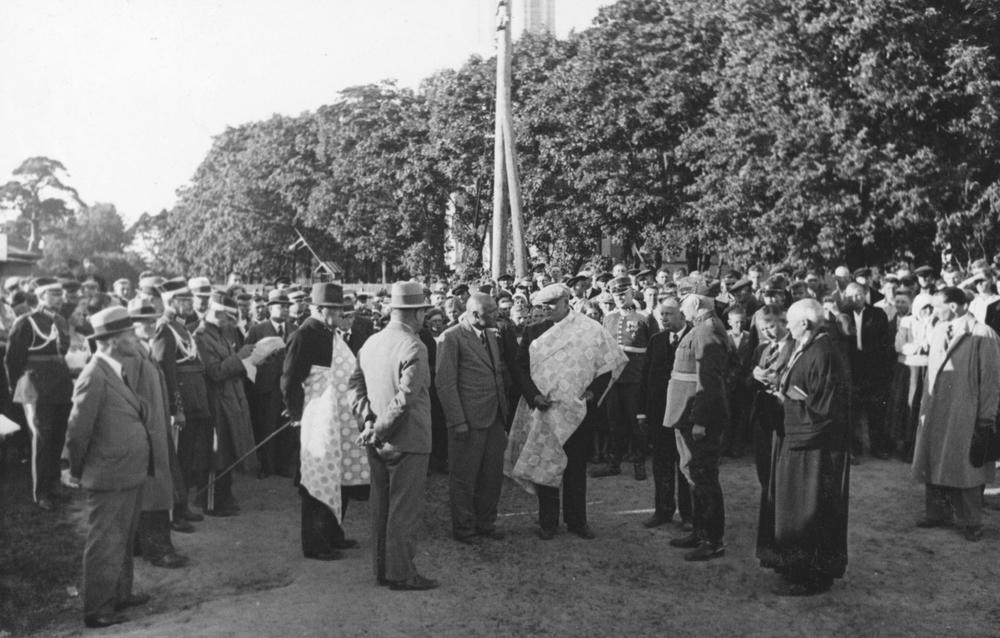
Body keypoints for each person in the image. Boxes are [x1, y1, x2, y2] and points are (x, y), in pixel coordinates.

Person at [505, 283, 626, 541]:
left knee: (575, 466)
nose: (548, 309)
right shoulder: (533, 331)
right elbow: (520, 368)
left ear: (566, 301)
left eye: (552, 304)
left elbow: (608, 363)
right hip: (545, 410)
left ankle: (577, 521)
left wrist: (592, 392)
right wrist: (533, 396)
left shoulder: (590, 329)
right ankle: (548, 522)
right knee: (546, 465)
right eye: (544, 305)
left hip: (576, 411)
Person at [62, 307, 153, 628]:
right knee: (105, 542)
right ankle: (98, 608)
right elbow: (78, 430)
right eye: (130, 334)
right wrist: (73, 469)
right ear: (113, 341)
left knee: (123, 538)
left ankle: (120, 594)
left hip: (125, 471)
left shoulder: (114, 369)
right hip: (109, 475)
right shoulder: (94, 374)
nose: (136, 338)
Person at [757, 299, 851, 596]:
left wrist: (784, 401)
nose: (787, 328)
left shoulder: (823, 352)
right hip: (799, 441)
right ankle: (794, 567)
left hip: (814, 450)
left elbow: (823, 408)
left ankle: (811, 577)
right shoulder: (809, 347)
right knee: (795, 509)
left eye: (791, 322)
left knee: (810, 511)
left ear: (805, 323)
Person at [349, 282, 438, 590]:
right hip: (407, 439)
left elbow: (355, 386)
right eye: (423, 311)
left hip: (377, 440)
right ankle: (400, 574)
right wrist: (379, 428)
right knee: (403, 510)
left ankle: (382, 570)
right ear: (416, 313)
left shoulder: (371, 342)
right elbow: (406, 398)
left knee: (381, 507)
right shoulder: (414, 346)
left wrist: (368, 422)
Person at [282, 283, 370, 561]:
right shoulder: (304, 335)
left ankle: (334, 533)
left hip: (341, 420)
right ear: (320, 309)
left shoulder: (331, 333)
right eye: (335, 310)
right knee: (318, 478)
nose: (341, 314)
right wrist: (297, 415)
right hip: (319, 418)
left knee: (341, 477)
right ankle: (315, 543)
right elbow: (289, 380)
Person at [912, 287, 1000, 542]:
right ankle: (937, 512)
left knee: (966, 466)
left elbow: (991, 381)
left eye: (937, 307)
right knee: (933, 459)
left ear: (953, 306)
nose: (933, 312)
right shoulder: (939, 330)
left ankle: (971, 521)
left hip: (965, 411)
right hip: (936, 410)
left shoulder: (983, 334)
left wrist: (986, 418)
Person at [435, 293, 509, 544]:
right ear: (476, 315)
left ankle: (486, 523)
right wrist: (458, 421)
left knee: (492, 475)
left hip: (494, 417)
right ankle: (464, 529)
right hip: (467, 421)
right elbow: (445, 384)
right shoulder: (451, 337)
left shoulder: (490, 334)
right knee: (464, 478)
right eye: (492, 311)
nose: (497, 314)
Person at [665, 281, 730, 561]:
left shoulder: (707, 330)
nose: (681, 307)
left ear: (696, 303)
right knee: (693, 474)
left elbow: (709, 379)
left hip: (696, 417)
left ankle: (713, 540)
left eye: (684, 301)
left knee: (704, 477)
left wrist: (701, 420)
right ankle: (700, 532)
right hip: (686, 413)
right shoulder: (702, 328)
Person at [125, 300, 189, 568]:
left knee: (152, 489)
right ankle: (158, 550)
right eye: (144, 321)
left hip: (155, 430)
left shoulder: (145, 350)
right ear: (131, 325)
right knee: (153, 492)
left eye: (153, 320)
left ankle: (140, 544)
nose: (151, 325)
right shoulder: (131, 355)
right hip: (145, 433)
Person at [5, 277, 73, 510]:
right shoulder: (26, 322)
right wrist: (16, 387)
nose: (59, 298)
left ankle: (54, 485)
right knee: (42, 438)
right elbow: (13, 359)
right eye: (53, 294)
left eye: (60, 294)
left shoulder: (60, 321)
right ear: (41, 296)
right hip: (36, 387)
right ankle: (41, 492)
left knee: (58, 436)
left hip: (60, 386)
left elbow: (63, 351)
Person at [151, 279, 209, 530]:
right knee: (176, 460)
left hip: (194, 400)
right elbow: (166, 372)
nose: (189, 303)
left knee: (187, 458)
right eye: (183, 300)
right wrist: (175, 409)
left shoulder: (181, 328)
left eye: (189, 299)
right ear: (170, 302)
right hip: (180, 403)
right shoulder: (165, 329)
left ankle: (182, 507)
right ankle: (173, 514)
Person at [194, 294, 258, 516]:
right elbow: (214, 372)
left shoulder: (218, 335)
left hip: (228, 400)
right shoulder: (201, 337)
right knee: (215, 454)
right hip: (215, 403)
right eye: (228, 319)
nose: (231, 324)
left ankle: (224, 496)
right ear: (218, 313)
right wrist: (239, 357)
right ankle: (211, 502)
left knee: (226, 451)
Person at [639, 296, 692, 530]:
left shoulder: (694, 338)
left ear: (682, 315)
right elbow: (645, 377)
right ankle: (663, 510)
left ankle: (689, 515)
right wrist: (642, 412)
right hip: (659, 414)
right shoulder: (656, 340)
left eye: (669, 314)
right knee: (661, 464)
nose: (664, 318)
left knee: (685, 465)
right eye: (662, 314)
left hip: (685, 415)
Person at [843, 282, 894, 459]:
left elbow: (885, 341)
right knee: (853, 410)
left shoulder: (877, 313)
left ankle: (877, 447)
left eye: (858, 294)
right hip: (852, 367)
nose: (855, 298)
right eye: (851, 295)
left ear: (865, 294)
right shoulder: (843, 314)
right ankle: (855, 448)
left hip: (873, 367)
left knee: (876, 409)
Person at [245, 289, 293, 478]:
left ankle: (283, 465)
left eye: (287, 307)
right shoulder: (257, 330)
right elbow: (247, 358)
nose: (285, 310)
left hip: (288, 387)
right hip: (266, 387)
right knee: (266, 426)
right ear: (270, 308)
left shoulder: (294, 329)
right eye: (281, 306)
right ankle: (266, 465)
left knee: (285, 427)